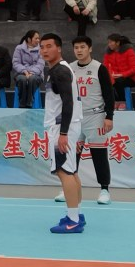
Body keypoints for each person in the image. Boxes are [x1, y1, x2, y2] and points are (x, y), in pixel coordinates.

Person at [58, 35, 115, 208]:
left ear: (89, 48)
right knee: (71, 155)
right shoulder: (69, 68)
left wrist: (109, 116)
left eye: (82, 47)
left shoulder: (99, 68)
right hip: (75, 117)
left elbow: (109, 94)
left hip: (95, 116)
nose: (79, 50)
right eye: (76, 47)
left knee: (99, 154)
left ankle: (104, 189)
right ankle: (69, 188)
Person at [40, 33, 86, 234]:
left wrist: (63, 133)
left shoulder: (60, 71)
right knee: (72, 171)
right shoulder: (58, 69)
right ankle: (77, 214)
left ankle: (73, 220)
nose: (44, 50)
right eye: (42, 47)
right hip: (68, 125)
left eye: (49, 46)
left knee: (64, 172)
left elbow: (68, 103)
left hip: (62, 127)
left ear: (58, 48)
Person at [12, 30, 45, 104]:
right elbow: (16, 63)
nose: (38, 40)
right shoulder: (19, 48)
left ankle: (28, 102)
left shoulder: (41, 49)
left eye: (38, 38)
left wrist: (32, 73)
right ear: (29, 39)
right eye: (36, 38)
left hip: (37, 74)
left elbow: (41, 64)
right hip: (21, 73)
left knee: (32, 79)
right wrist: (24, 71)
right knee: (22, 79)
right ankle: (23, 103)